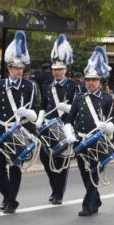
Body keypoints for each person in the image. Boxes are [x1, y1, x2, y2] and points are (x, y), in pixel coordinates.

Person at [0, 31, 40, 214]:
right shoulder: (0, 85)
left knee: (16, 167)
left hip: (19, 130)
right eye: (15, 68)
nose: (19, 71)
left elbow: (36, 110)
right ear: (9, 68)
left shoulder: (29, 87)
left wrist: (30, 113)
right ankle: (8, 196)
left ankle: (11, 200)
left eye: (21, 68)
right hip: (1, 129)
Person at [65, 47, 114, 217]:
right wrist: (70, 134)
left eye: (94, 80)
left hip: (98, 141)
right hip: (81, 141)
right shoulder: (79, 98)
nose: (90, 83)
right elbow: (69, 119)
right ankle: (96, 200)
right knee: (84, 173)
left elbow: (113, 120)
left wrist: (107, 127)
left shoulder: (107, 99)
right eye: (88, 80)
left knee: (94, 171)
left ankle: (87, 205)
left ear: (99, 81)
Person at [37, 35, 77, 203]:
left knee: (62, 160)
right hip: (49, 127)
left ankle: (58, 193)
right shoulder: (47, 85)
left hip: (64, 126)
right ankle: (55, 187)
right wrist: (39, 117)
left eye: (60, 69)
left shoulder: (73, 86)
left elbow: (78, 108)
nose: (57, 72)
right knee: (45, 158)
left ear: (65, 70)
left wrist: (69, 109)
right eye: (55, 70)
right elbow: (43, 105)